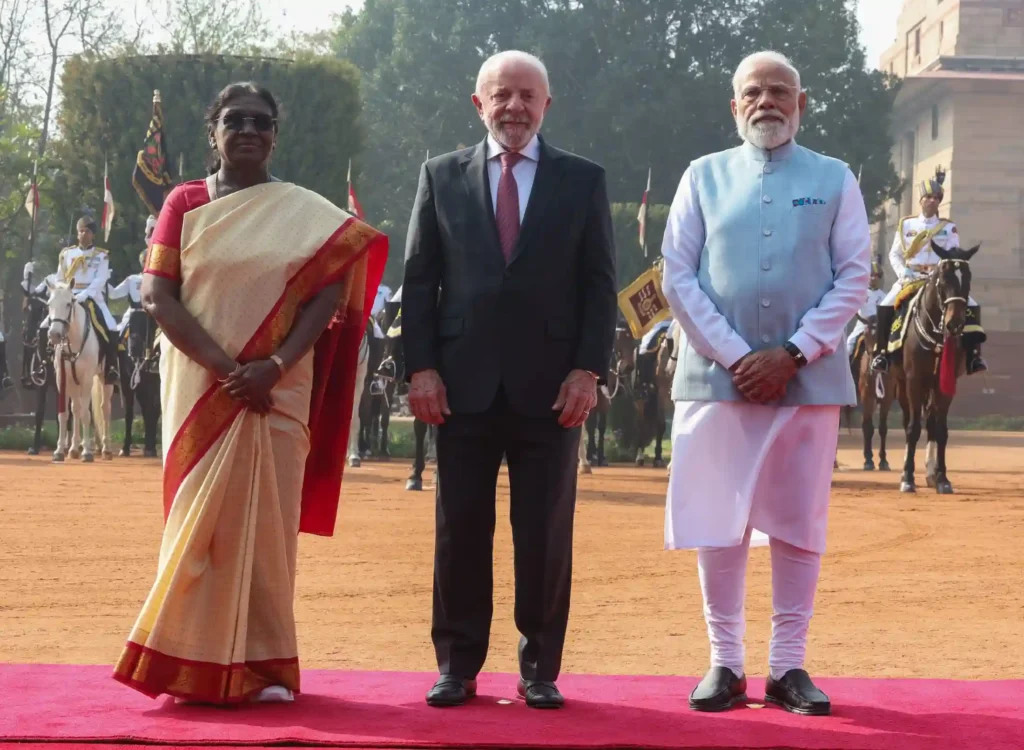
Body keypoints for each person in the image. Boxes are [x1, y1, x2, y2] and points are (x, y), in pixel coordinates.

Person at [113, 82, 387, 705]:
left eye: (261, 123)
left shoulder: (302, 210)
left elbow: (331, 290)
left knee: (268, 529)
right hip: (201, 388)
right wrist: (229, 368)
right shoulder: (183, 202)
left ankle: (265, 669)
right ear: (212, 131)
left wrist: (277, 363)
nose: (248, 131)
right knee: (196, 526)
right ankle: (185, 663)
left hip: (279, 391)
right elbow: (158, 296)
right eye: (234, 121)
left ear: (275, 135)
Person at [403, 50, 617, 710]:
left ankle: (539, 669)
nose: (514, 106)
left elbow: (599, 285)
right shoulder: (440, 176)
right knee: (458, 530)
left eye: (528, 95)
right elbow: (419, 281)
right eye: (502, 95)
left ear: (547, 104)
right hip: (459, 389)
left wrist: (588, 371)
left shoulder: (582, 180)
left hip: (553, 390)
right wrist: (421, 368)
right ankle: (457, 665)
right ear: (479, 103)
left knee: (545, 535)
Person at [660, 51, 870, 716]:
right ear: (734, 105)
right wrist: (736, 358)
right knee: (719, 522)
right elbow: (678, 275)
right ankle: (725, 662)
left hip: (806, 382)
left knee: (797, 522)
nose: (767, 101)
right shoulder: (702, 176)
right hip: (717, 382)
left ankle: (787, 667)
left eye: (781, 91)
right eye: (753, 92)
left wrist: (793, 353)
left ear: (801, 104)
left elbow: (854, 275)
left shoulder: (834, 179)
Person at [871, 173, 986, 374]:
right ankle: (881, 354)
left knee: (972, 305)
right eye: (928, 197)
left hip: (939, 279)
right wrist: (903, 272)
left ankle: (973, 357)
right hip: (910, 278)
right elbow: (895, 254)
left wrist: (943, 273)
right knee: (884, 305)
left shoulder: (948, 228)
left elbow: (953, 256)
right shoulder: (906, 225)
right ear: (921, 200)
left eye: (936, 198)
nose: (932, 200)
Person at [57, 217, 119, 382]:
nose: (83, 234)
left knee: (111, 327)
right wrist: (63, 293)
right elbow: (59, 278)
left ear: (93, 234)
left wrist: (84, 295)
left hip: (92, 297)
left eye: (87, 231)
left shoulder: (101, 255)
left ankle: (111, 367)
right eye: (80, 231)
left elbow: (100, 279)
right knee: (45, 325)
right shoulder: (67, 254)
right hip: (69, 297)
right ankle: (43, 362)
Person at [845, 262, 885, 360]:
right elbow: (853, 309)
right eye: (871, 275)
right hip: (862, 325)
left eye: (877, 276)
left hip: (878, 326)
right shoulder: (860, 293)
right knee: (849, 343)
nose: (874, 278)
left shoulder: (884, 296)